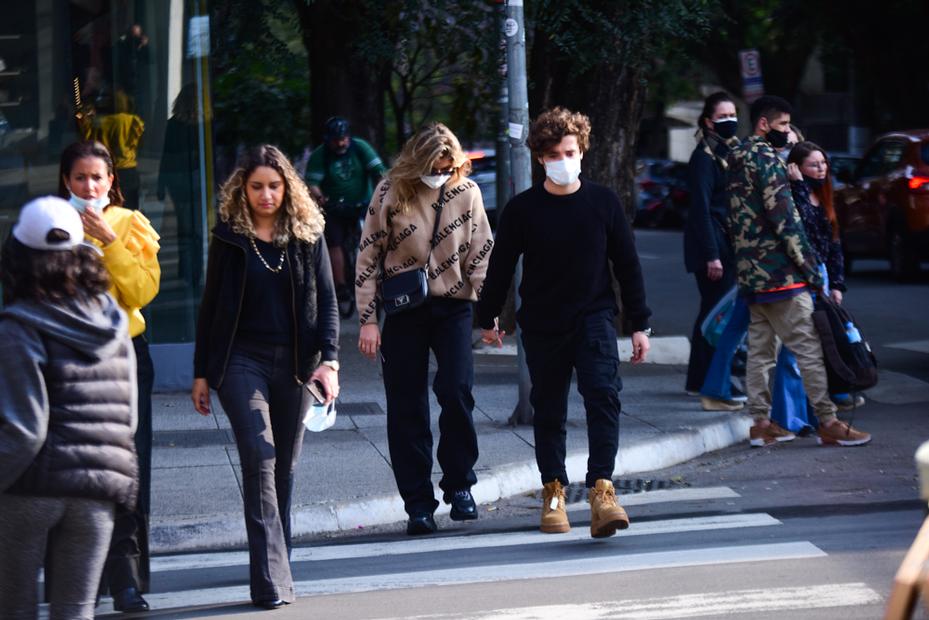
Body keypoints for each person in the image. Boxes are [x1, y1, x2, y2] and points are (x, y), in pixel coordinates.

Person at [476, 107, 652, 538]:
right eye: (553, 153)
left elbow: (627, 265)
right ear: (540, 158)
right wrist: (488, 317)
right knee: (549, 410)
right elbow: (500, 266)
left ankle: (602, 492)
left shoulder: (603, 201)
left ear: (582, 151)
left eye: (569, 151)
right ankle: (554, 493)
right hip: (542, 323)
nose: (562, 159)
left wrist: (640, 325)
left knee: (603, 398)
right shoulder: (522, 210)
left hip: (594, 318)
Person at [192, 145, 339, 608]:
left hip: (295, 363)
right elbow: (211, 306)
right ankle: (271, 581)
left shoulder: (306, 235)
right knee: (260, 456)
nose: (266, 195)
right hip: (241, 361)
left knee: (284, 471)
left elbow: (329, 304)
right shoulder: (230, 237)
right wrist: (201, 372)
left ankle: (280, 562)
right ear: (243, 188)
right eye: (256, 187)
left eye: (274, 186)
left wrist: (329, 361)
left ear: (287, 187)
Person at [0, 196, 138, 620]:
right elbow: (127, 416)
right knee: (76, 611)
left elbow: (24, 428)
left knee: (15, 608)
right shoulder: (113, 321)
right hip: (97, 490)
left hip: (29, 489)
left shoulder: (18, 325)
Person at [355, 123, 493, 536]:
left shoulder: (467, 192)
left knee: (457, 391)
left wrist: (490, 315)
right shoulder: (390, 192)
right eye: (434, 165)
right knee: (406, 406)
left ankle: (460, 486)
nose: (441, 172)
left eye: (448, 166)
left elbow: (481, 252)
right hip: (404, 309)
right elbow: (368, 257)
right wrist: (367, 321)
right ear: (418, 160)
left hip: (453, 307)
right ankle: (418, 503)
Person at [726, 96, 871, 448]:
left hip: (751, 277)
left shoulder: (736, 158)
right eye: (783, 126)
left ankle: (761, 423)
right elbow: (785, 220)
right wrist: (809, 268)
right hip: (782, 277)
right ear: (764, 124)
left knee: (760, 354)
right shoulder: (769, 163)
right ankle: (828, 420)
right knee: (809, 348)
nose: (787, 132)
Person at [58, 140, 160, 612]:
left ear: (111, 181)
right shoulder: (50, 225)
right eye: (80, 178)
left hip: (124, 355)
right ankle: (80, 575)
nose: (89, 186)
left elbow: (142, 289)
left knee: (129, 468)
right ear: (66, 182)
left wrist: (110, 241)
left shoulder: (128, 222)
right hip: (67, 357)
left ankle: (127, 578)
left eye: (98, 177)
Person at [771, 141, 861, 431]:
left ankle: (811, 414)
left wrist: (836, 283)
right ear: (797, 168)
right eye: (813, 164)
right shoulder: (792, 195)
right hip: (798, 275)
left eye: (823, 163)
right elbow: (800, 230)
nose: (821, 168)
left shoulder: (825, 196)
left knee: (819, 346)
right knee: (795, 347)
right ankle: (788, 418)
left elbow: (834, 244)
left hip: (820, 277)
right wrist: (797, 186)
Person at [682, 91, 746, 411]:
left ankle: (698, 380)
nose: (730, 120)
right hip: (713, 249)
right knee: (716, 316)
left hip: (724, 246)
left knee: (710, 313)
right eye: (723, 116)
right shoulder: (704, 159)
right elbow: (701, 211)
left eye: (733, 114)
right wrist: (712, 254)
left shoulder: (724, 153)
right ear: (708, 121)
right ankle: (708, 380)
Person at [305, 116, 387, 308]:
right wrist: (320, 198)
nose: (341, 143)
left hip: (363, 203)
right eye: (336, 140)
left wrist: (383, 192)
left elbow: (379, 171)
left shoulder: (360, 147)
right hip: (335, 207)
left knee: (377, 239)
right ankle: (341, 286)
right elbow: (312, 183)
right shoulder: (320, 155)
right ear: (328, 139)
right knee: (334, 242)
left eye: (344, 139)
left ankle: (381, 279)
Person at [158, 83, 206, 288]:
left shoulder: (172, 124)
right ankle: (194, 272)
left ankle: (184, 270)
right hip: (196, 178)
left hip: (176, 180)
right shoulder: (204, 127)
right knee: (197, 227)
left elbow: (165, 157)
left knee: (183, 225)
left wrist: (161, 185)